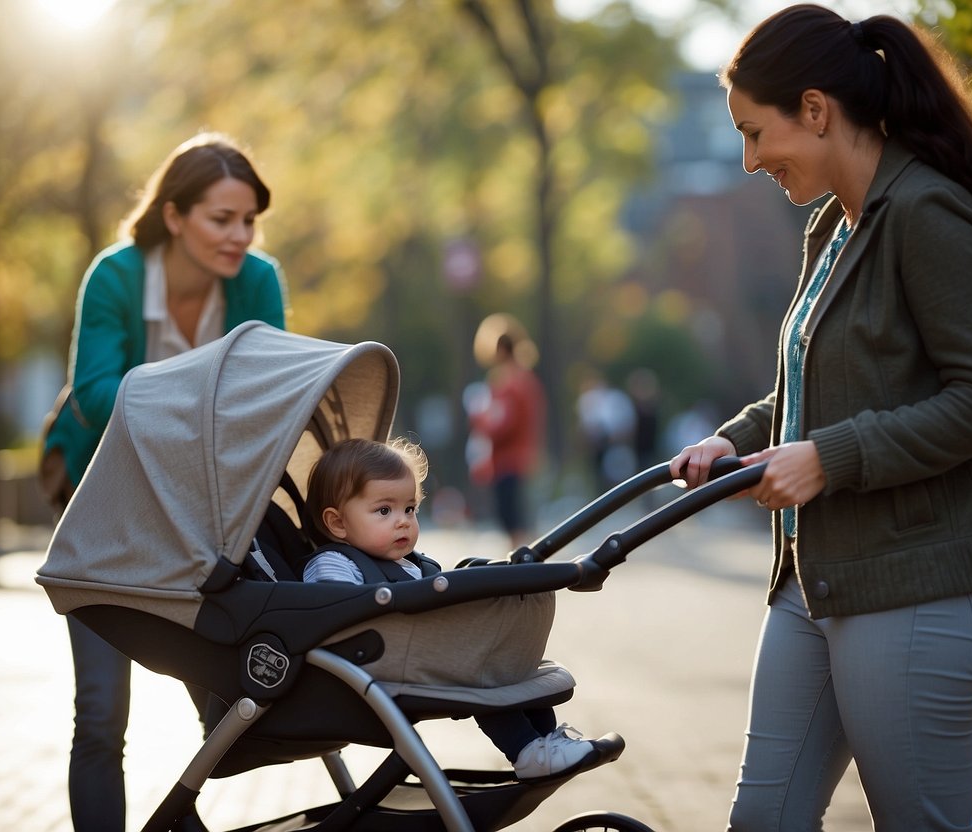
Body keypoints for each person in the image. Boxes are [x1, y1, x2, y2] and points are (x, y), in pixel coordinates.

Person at [668, 6, 972, 830]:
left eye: (754, 133)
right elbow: (813, 386)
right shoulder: (833, 227)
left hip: (916, 584)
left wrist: (830, 458)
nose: (747, 159)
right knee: (760, 819)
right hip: (818, 580)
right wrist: (732, 440)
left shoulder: (926, 212)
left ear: (814, 110)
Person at [43, 131, 289, 832]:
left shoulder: (257, 281)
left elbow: (265, 402)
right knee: (98, 713)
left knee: (224, 708)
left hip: (199, 518)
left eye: (248, 221)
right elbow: (93, 394)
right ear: (174, 216)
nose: (239, 235)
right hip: (102, 510)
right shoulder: (116, 277)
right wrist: (210, 407)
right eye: (221, 219)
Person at [303, 437, 607, 780]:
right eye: (384, 511)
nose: (402, 521)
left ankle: (544, 742)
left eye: (410, 509)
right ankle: (525, 749)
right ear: (338, 523)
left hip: (413, 656)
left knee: (511, 671)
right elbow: (331, 611)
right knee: (478, 670)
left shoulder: (411, 564)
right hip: (373, 666)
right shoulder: (333, 563)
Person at [467, 314, 547, 548]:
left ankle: (522, 567)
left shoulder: (508, 381)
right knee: (519, 516)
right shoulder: (527, 378)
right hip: (522, 456)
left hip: (508, 459)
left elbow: (503, 423)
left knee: (513, 520)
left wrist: (479, 420)